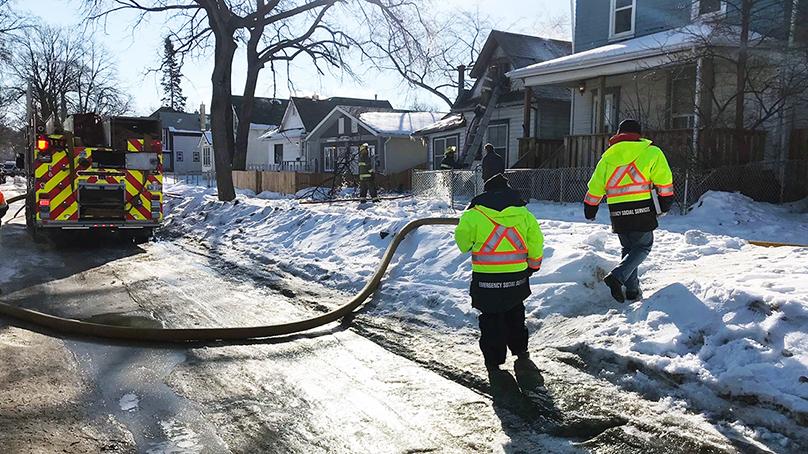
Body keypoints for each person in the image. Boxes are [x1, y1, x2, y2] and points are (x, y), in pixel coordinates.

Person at [454, 173, 545, 380]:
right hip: (517, 279)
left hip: (486, 281)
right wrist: (533, 266)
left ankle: (494, 364)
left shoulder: (473, 214)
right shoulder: (524, 214)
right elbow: (536, 242)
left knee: (490, 320)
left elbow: (463, 244)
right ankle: (521, 354)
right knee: (515, 314)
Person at [584, 119, 674, 303]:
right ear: (638, 134)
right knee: (643, 246)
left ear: (619, 134)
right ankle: (617, 277)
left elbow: (595, 187)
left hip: (617, 213)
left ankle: (632, 291)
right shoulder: (652, 152)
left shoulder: (608, 157)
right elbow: (664, 182)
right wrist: (665, 203)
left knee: (629, 249)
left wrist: (590, 209)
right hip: (642, 210)